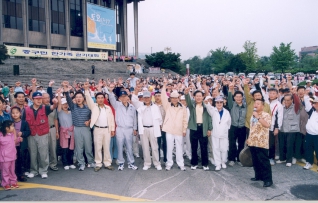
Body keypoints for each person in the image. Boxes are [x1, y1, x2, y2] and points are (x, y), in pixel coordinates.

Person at [62, 81, 95, 171]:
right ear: (75, 99)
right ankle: (81, 163)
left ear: (83, 98)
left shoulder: (88, 107)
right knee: (79, 148)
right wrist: (65, 87)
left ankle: (91, 161)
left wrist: (89, 120)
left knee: (88, 146)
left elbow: (95, 116)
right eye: (77, 97)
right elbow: (68, 98)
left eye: (80, 97)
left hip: (86, 129)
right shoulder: (73, 107)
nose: (78, 98)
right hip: (77, 129)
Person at [83, 82, 116, 172]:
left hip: (107, 130)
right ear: (96, 99)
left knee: (106, 147)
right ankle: (98, 163)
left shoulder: (108, 108)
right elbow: (89, 99)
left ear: (104, 99)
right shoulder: (94, 107)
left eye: (102, 98)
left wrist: (112, 129)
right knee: (98, 147)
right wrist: (86, 90)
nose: (100, 99)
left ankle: (107, 163)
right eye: (98, 98)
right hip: (97, 129)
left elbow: (111, 119)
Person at [106, 83, 138, 171]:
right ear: (119, 98)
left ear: (128, 97)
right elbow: (111, 98)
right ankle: (121, 163)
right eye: (122, 97)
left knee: (129, 147)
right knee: (120, 146)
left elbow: (135, 118)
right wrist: (110, 90)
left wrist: (135, 128)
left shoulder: (132, 107)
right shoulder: (117, 105)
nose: (124, 98)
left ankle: (131, 162)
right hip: (120, 129)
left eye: (125, 96)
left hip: (129, 129)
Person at [131, 88, 163, 171]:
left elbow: (159, 119)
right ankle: (147, 163)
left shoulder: (155, 107)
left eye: (148, 97)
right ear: (143, 98)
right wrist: (136, 90)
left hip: (153, 128)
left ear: (150, 97)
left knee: (155, 147)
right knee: (145, 147)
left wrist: (159, 126)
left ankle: (157, 163)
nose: (146, 99)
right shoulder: (140, 105)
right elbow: (133, 99)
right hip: (143, 129)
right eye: (145, 97)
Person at [161, 78, 188, 171]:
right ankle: (169, 163)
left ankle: (180, 163)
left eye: (176, 98)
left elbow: (185, 119)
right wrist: (164, 85)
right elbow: (163, 97)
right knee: (169, 147)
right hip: (169, 129)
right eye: (173, 98)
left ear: (178, 98)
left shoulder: (183, 107)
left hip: (179, 130)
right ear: (171, 98)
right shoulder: (167, 105)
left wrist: (184, 130)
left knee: (179, 147)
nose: (175, 99)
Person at [184, 86, 212, 171]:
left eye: (200, 96)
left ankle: (205, 164)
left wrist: (209, 129)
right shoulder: (192, 105)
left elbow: (209, 117)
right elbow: (188, 100)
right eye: (197, 96)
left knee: (204, 147)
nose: (199, 97)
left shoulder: (206, 106)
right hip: (194, 128)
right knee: (194, 147)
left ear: (203, 97)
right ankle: (194, 163)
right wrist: (186, 93)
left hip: (203, 128)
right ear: (194, 97)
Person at [246, 99, 273, 187]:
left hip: (261, 142)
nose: (256, 105)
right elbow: (252, 128)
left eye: (258, 104)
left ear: (263, 106)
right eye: (255, 103)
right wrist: (249, 138)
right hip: (253, 141)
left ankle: (268, 180)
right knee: (255, 160)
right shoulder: (253, 115)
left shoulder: (266, 115)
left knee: (264, 161)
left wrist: (258, 117)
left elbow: (267, 125)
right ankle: (258, 176)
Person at [206, 96, 231, 171]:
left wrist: (224, 129)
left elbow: (229, 123)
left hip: (224, 134)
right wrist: (207, 103)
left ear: (223, 103)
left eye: (220, 102)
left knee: (224, 149)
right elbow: (208, 106)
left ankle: (223, 162)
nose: (219, 104)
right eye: (217, 102)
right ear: (215, 103)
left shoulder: (226, 112)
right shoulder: (213, 111)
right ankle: (218, 164)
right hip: (215, 134)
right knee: (216, 149)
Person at [227, 84, 247, 167]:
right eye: (236, 97)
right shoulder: (232, 105)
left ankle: (239, 159)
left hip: (242, 127)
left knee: (241, 143)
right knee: (232, 143)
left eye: (240, 96)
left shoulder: (246, 106)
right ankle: (231, 159)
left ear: (242, 97)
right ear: (234, 98)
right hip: (233, 126)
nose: (238, 98)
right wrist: (230, 89)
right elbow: (229, 98)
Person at [56, 91, 76, 170]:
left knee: (71, 148)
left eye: (66, 104)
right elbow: (59, 104)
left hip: (71, 131)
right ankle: (65, 163)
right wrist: (59, 94)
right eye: (64, 104)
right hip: (64, 132)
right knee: (64, 148)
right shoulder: (60, 112)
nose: (65, 105)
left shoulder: (71, 112)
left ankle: (70, 162)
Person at [0, 120, 22, 190]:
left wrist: (19, 139)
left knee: (12, 170)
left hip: (12, 156)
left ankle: (13, 182)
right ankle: (5, 183)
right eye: (12, 126)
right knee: (5, 171)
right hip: (5, 158)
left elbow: (14, 142)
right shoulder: (1, 136)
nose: (13, 128)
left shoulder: (12, 135)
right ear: (6, 128)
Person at [11, 106, 30, 182]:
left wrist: (23, 133)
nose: (15, 114)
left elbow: (28, 132)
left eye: (17, 113)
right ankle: (13, 174)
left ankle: (20, 174)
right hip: (12, 146)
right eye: (13, 113)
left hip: (21, 145)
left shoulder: (24, 122)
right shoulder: (10, 123)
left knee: (20, 160)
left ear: (20, 113)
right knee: (13, 161)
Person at [303, 98, 318, 170]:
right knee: (308, 149)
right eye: (314, 103)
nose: (314, 105)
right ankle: (309, 162)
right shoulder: (312, 111)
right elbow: (307, 103)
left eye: (316, 103)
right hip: (309, 134)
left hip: (317, 135)